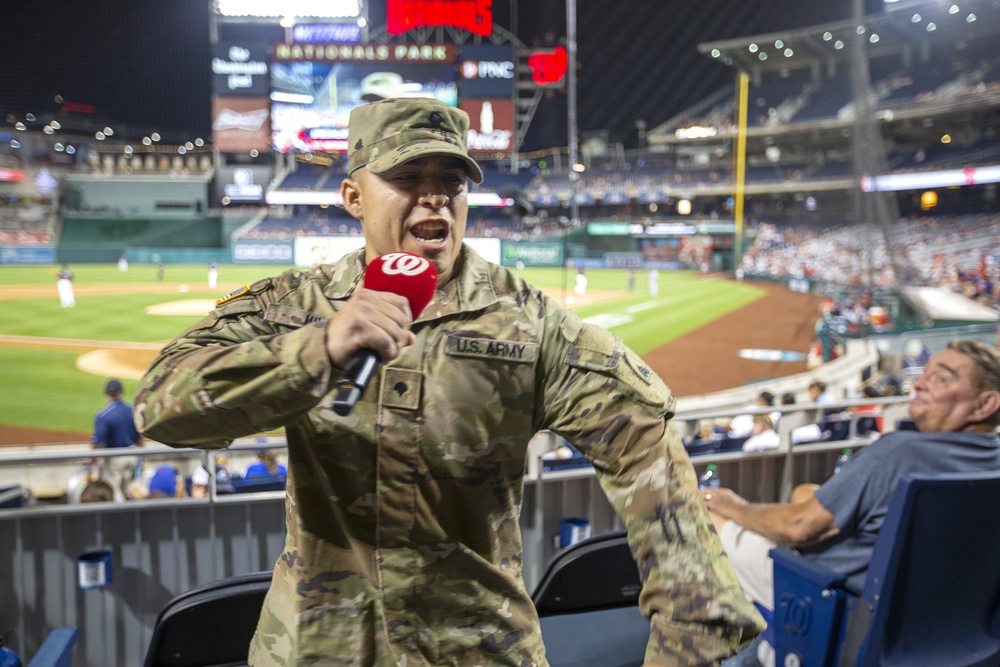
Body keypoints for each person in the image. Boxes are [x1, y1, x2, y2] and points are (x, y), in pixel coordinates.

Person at [135, 97, 763, 666]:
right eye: (407, 179)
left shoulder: (529, 322)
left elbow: (644, 447)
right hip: (317, 649)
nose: (434, 198)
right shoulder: (294, 306)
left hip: (478, 650)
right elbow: (161, 407)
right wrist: (317, 349)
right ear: (354, 197)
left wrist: (694, 632)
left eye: (452, 182)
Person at [703, 339, 1000, 613]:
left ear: (986, 404)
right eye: (926, 373)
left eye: (941, 379)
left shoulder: (898, 454)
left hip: (834, 602)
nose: (920, 383)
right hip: (941, 616)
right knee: (804, 492)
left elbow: (797, 528)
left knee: (706, 517)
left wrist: (730, 504)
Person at [91, 378, 143, 498]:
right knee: (131, 494)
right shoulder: (132, 411)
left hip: (115, 460)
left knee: (110, 493)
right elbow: (140, 439)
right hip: (133, 456)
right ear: (121, 392)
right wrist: (142, 459)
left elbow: (99, 444)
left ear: (106, 394)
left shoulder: (103, 415)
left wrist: (92, 463)